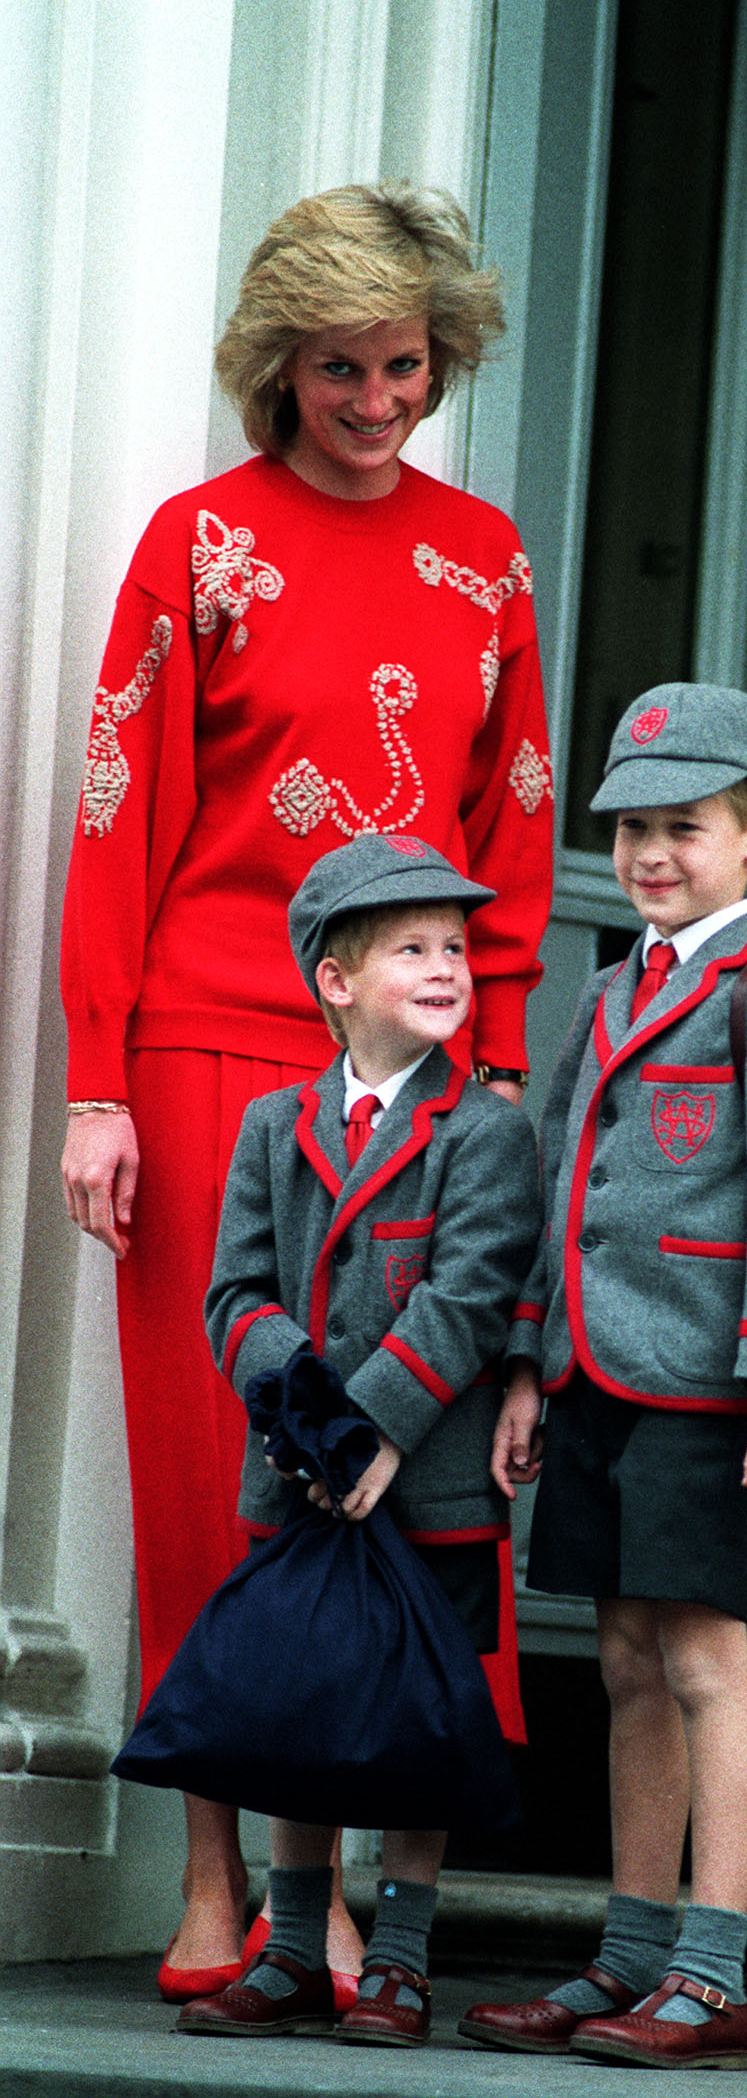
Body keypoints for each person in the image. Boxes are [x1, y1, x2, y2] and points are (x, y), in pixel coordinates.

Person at [59, 183, 552, 2000]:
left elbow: (507, 830)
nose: (373, 401)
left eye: (403, 366)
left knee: (396, 1465)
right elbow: (118, 827)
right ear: (278, 366)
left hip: (418, 1075)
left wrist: (487, 1067)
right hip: (205, 1044)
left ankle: (356, 1887)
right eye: (338, 368)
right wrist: (95, 1081)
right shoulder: (198, 545)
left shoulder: (483, 558)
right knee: (222, 1472)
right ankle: (234, 1894)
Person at [459, 684, 747, 2070]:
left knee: (701, 1656)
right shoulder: (604, 991)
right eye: (631, 829)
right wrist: (524, 1361)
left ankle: (711, 1969)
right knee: (625, 1660)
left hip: (708, 1382)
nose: (648, 854)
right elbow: (550, 1182)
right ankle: (628, 1958)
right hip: (589, 1372)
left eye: (682, 828)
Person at [174, 834, 540, 2047]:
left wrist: (370, 1426)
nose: (447, 967)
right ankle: (288, 1950)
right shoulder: (274, 1125)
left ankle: (397, 1957)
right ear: (335, 980)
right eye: (414, 949)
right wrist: (315, 1430)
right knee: (300, 1707)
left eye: (457, 948)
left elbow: (470, 1290)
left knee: (418, 1720)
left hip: (426, 1475)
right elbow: (237, 1295)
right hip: (299, 1473)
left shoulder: (482, 1129)